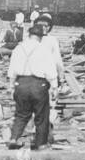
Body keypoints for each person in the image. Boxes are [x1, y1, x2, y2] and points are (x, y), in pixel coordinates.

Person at [6, 20, 58, 150]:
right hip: (38, 85)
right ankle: (40, 144)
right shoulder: (43, 49)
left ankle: (14, 138)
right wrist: (54, 87)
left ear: (29, 35)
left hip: (21, 84)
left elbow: (12, 71)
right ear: (40, 37)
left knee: (21, 114)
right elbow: (50, 71)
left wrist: (11, 87)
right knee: (41, 116)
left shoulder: (18, 48)